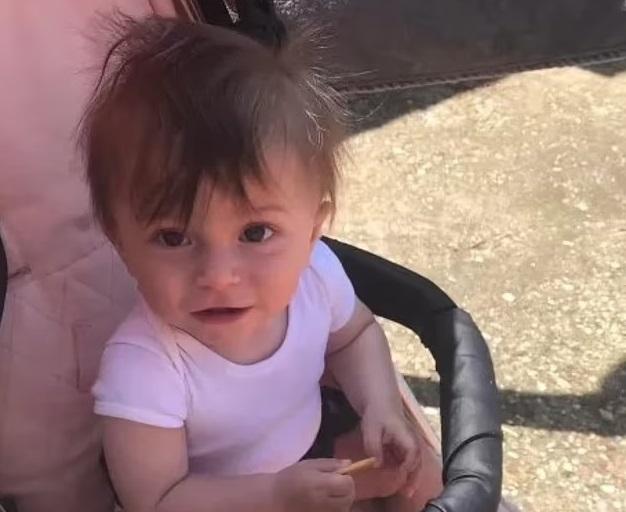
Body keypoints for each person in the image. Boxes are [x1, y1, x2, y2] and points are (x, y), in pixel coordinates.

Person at [84, 15, 442, 512]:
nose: (219, 276)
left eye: (255, 233)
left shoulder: (316, 275)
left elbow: (355, 335)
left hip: (311, 448)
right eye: (173, 237)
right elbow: (157, 499)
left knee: (419, 471)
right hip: (220, 499)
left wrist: (379, 405)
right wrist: (274, 495)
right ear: (119, 241)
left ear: (312, 230)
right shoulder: (144, 368)